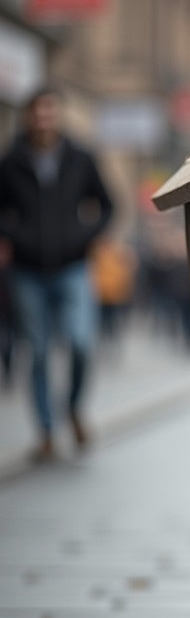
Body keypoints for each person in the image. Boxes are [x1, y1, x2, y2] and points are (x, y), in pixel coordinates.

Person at [0, 85, 114, 460]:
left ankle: (74, 408)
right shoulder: (11, 160)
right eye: (37, 112)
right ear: (28, 116)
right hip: (27, 271)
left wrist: (86, 236)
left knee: (81, 342)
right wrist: (17, 236)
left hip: (73, 267)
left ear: (58, 115)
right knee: (38, 352)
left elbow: (109, 205)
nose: (43, 119)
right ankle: (47, 433)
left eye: (50, 111)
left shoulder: (80, 157)